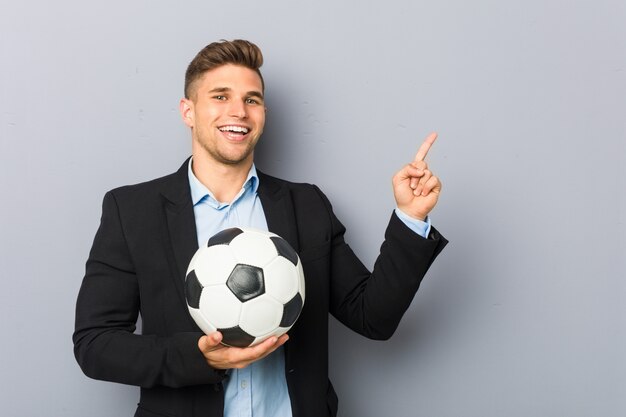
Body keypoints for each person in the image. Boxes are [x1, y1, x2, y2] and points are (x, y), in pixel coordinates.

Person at [73, 39, 448, 417]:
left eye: (251, 100)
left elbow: (373, 317)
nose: (239, 111)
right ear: (188, 111)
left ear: (263, 112)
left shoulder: (307, 205)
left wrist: (410, 217)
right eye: (220, 96)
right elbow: (95, 344)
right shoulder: (132, 210)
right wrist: (199, 357)